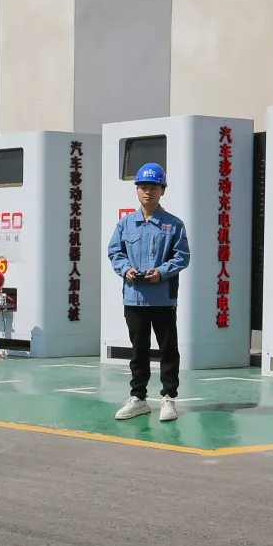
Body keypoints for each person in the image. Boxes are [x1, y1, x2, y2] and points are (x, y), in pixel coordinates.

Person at [106, 162, 190, 421]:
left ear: (162, 190)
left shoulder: (174, 224)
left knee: (168, 348)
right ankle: (138, 398)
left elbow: (182, 257)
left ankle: (168, 398)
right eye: (143, 186)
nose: (148, 192)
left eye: (153, 187)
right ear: (136, 190)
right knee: (138, 349)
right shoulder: (125, 224)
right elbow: (114, 251)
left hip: (163, 298)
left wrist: (161, 272)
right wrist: (126, 269)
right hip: (134, 297)